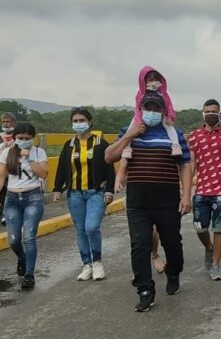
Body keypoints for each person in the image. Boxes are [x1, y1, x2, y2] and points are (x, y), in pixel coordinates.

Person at [105, 91, 192, 312]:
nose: (151, 112)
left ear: (163, 111)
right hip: (138, 202)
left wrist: (186, 195)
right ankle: (145, 290)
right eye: (147, 108)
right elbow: (109, 156)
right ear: (140, 109)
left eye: (156, 109)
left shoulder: (173, 134)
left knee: (172, 243)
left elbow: (184, 165)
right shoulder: (130, 131)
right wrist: (130, 134)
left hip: (167, 200)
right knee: (139, 245)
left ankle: (174, 272)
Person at [52, 107, 116, 281]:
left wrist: (109, 190)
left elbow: (109, 168)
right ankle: (87, 264)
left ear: (90, 122)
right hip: (75, 194)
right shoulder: (69, 145)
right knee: (80, 231)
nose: (78, 124)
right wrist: (57, 188)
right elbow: (61, 167)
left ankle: (97, 262)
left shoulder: (100, 143)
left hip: (96, 192)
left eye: (82, 120)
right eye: (75, 121)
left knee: (91, 227)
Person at [188, 99, 221, 281]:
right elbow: (192, 163)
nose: (210, 114)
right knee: (199, 228)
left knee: (219, 229)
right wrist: (186, 190)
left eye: (213, 111)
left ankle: (216, 265)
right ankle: (209, 248)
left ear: (219, 114)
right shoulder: (194, 136)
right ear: (203, 114)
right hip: (201, 190)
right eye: (207, 111)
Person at [0, 122, 48, 290]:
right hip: (12, 199)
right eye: (20, 138)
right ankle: (22, 258)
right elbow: (1, 176)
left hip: (32, 197)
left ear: (32, 138)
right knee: (14, 240)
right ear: (15, 137)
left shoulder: (39, 152)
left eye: (27, 138)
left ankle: (29, 275)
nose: (24, 140)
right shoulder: (7, 153)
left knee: (29, 237)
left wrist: (29, 158)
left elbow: (43, 173)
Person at [115, 158, 167, 273]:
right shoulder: (130, 148)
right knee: (137, 235)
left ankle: (154, 255)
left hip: (157, 193)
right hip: (136, 196)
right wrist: (118, 181)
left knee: (153, 230)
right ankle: (139, 268)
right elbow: (123, 166)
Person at [122, 67, 181, 159]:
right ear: (144, 81)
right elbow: (137, 108)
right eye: (150, 80)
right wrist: (138, 121)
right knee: (131, 128)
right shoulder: (140, 94)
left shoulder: (163, 93)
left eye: (156, 80)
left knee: (170, 128)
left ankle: (175, 145)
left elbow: (169, 106)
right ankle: (127, 147)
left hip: (161, 116)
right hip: (141, 116)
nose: (154, 83)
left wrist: (170, 117)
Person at [0, 112, 17, 226]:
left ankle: (8, 214)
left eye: (8, 122)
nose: (6, 124)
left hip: (13, 169)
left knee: (10, 192)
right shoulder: (0, 137)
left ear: (13, 123)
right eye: (3, 122)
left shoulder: (19, 136)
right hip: (1, 169)